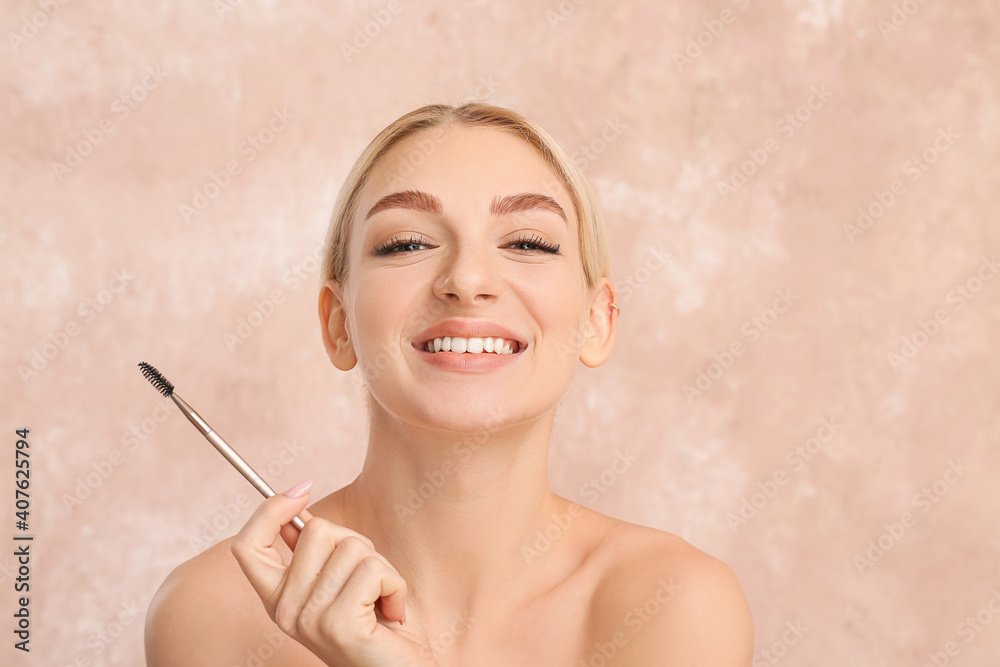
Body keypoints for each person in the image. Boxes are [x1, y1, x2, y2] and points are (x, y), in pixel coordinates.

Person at [144, 102, 754, 666]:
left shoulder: (674, 606)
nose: (466, 278)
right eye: (407, 243)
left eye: (527, 242)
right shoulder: (211, 614)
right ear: (339, 325)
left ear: (597, 321)